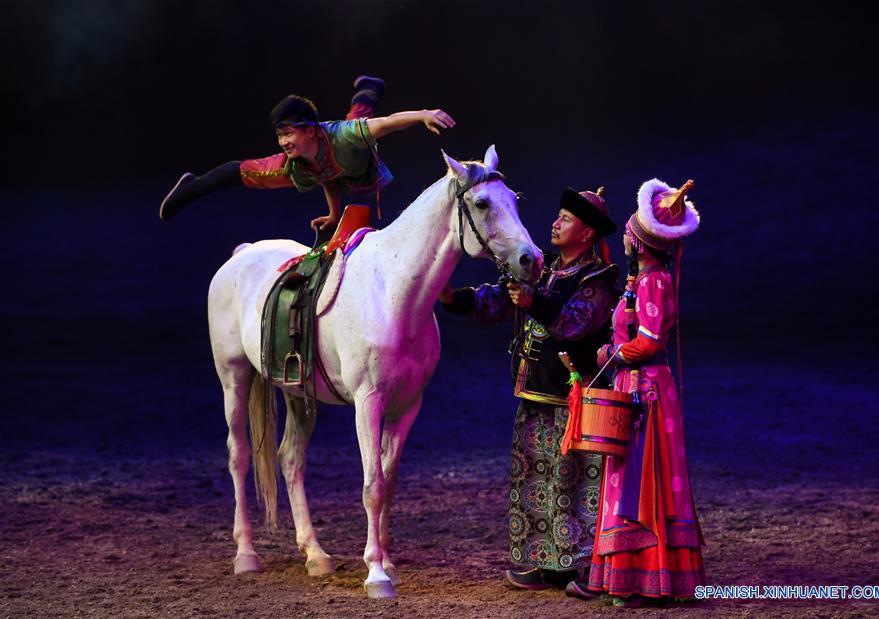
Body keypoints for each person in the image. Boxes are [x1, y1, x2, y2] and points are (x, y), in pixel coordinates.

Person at [440, 187, 619, 590]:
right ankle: (544, 563)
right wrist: (456, 299)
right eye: (558, 215)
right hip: (536, 394)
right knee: (535, 482)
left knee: (574, 483)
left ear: (587, 233)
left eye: (566, 219)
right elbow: (501, 301)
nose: (555, 223)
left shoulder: (598, 281)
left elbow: (574, 324)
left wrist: (533, 302)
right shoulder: (545, 268)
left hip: (575, 401)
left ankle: (583, 567)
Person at [565, 178, 704, 607]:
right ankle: (619, 573)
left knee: (639, 480)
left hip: (647, 392)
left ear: (641, 242)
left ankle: (642, 577)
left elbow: (648, 342)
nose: (624, 235)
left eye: (629, 230)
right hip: (636, 385)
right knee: (625, 477)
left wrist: (612, 354)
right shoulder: (642, 279)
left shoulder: (653, 282)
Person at [159, 75, 455, 230]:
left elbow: (387, 123)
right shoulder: (296, 160)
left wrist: (423, 114)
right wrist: (334, 214)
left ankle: (370, 86)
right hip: (335, 165)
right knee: (248, 172)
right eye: (279, 135)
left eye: (288, 133)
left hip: (353, 154)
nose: (283, 141)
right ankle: (192, 186)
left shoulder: (344, 135)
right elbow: (325, 174)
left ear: (310, 130)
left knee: (360, 115)